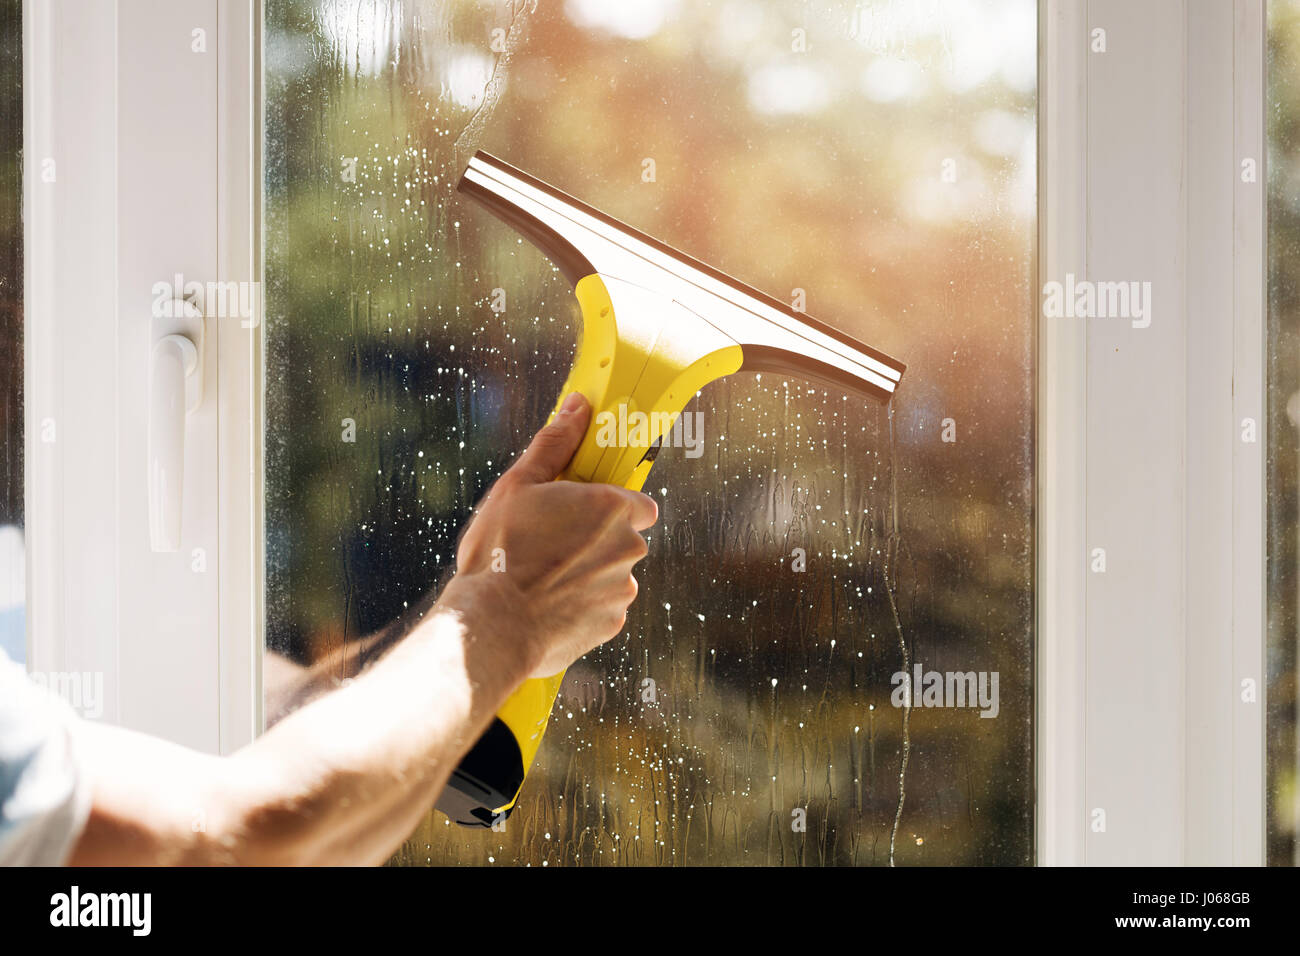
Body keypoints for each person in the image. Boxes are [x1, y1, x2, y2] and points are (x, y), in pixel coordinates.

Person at [0, 393, 657, 865]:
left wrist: (482, 598)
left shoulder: (23, 581)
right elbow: (247, 843)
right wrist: (506, 613)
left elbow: (272, 705)